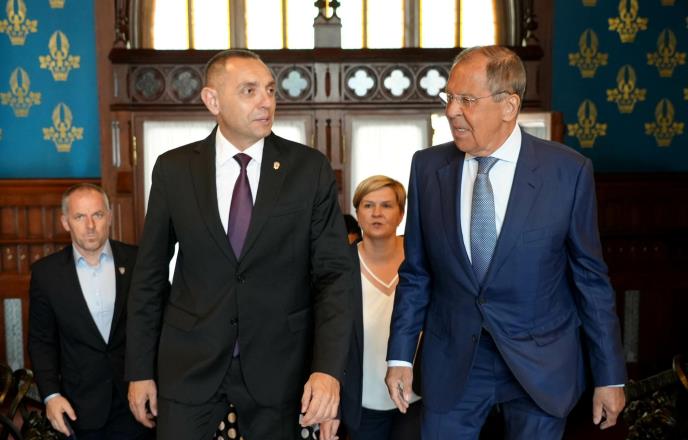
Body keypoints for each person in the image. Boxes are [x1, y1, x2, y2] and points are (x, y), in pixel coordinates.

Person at [385, 45, 627, 439]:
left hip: (541, 362)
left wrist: (610, 376)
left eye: (466, 100)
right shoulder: (427, 168)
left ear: (508, 106)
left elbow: (591, 281)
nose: (451, 111)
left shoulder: (567, 172)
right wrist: (400, 356)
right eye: (449, 97)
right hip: (454, 361)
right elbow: (416, 273)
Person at [125, 49, 353, 440]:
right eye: (249, 91)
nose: (266, 101)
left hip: (279, 366)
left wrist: (328, 370)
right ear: (212, 100)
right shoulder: (174, 169)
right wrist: (140, 369)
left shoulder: (308, 169)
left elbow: (334, 277)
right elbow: (149, 275)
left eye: (270, 90)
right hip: (189, 363)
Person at [28, 183, 152, 439]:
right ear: (65, 222)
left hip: (137, 402)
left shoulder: (138, 262)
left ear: (110, 217)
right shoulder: (46, 274)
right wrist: (51, 395)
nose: (90, 225)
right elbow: (41, 342)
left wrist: (148, 376)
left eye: (97, 214)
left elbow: (159, 325)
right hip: (79, 409)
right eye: (79, 217)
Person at [322, 176, 421, 440]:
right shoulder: (340, 264)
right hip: (363, 404)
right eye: (368, 205)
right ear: (357, 212)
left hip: (418, 399)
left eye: (386, 205)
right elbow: (327, 336)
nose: (377, 213)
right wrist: (332, 407)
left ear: (401, 214)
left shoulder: (421, 259)